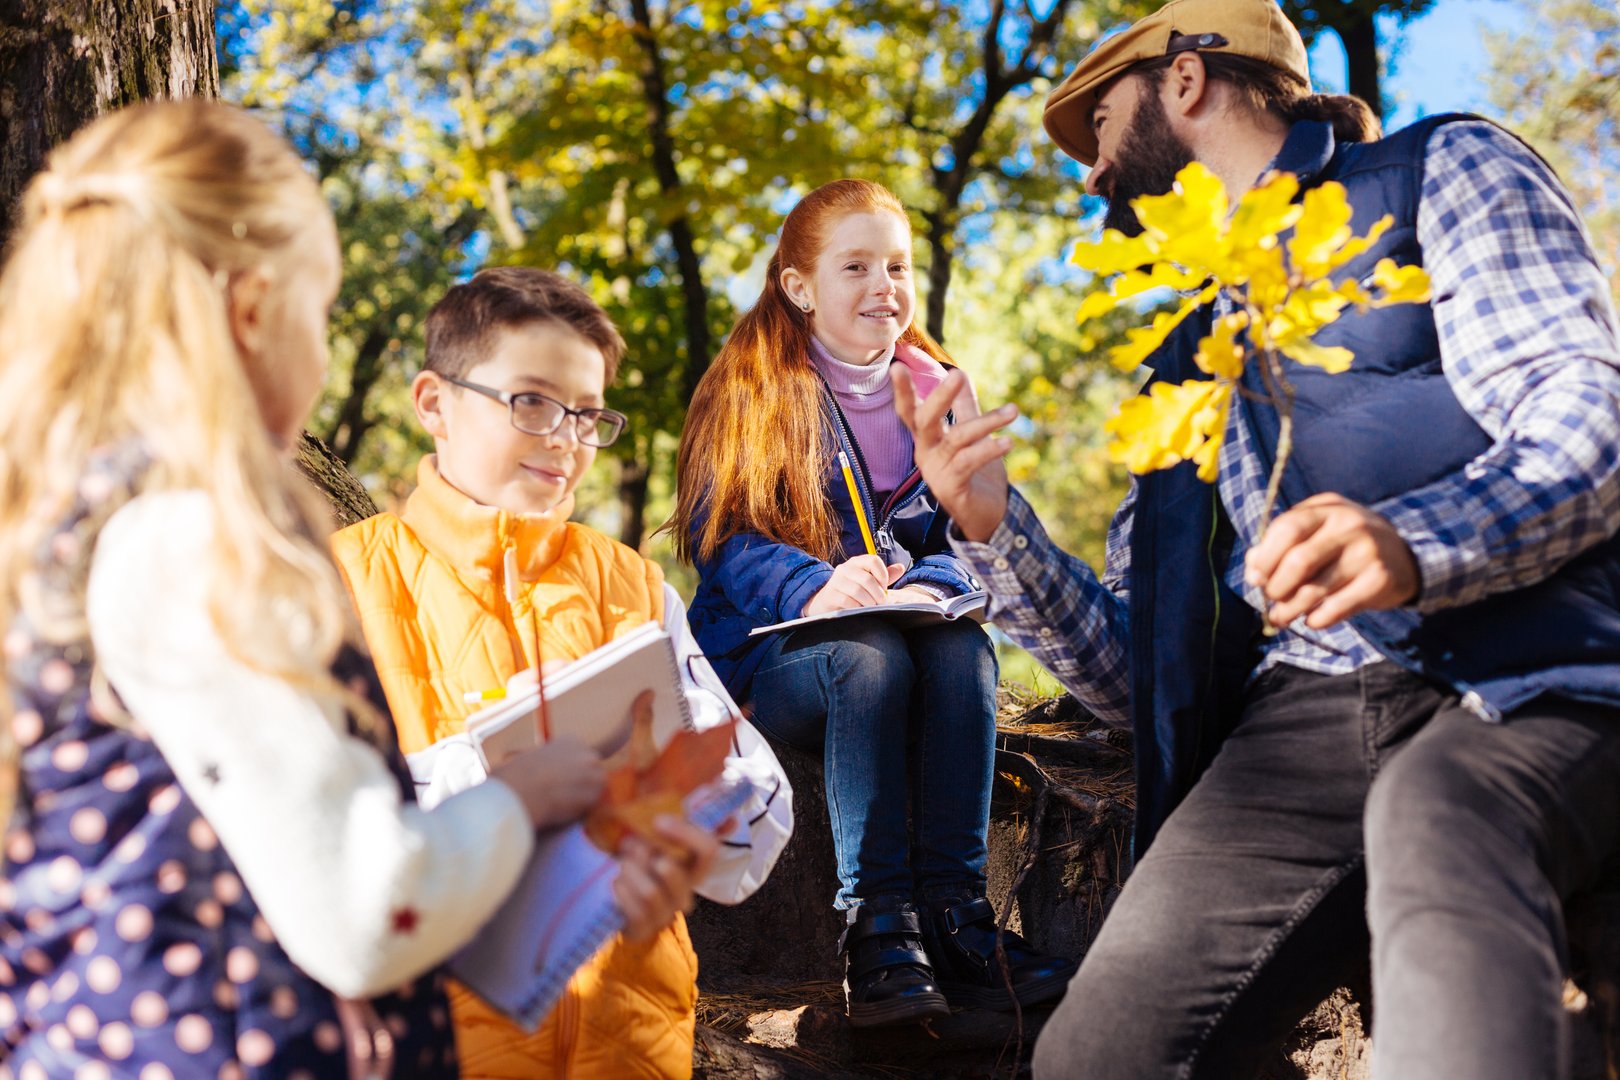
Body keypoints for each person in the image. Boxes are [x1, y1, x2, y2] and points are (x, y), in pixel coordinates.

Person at [893, 0, 1620, 1076]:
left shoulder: (1447, 169)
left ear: (1184, 82)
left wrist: (1417, 543)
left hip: (1536, 670)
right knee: (1093, 1059)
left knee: (1439, 809)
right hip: (1307, 728)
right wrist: (995, 527)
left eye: (1099, 127)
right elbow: (1135, 669)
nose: (1091, 174)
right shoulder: (1183, 368)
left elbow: (1587, 412)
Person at [0, 99, 711, 1078]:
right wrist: (518, 797)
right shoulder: (186, 541)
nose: (328, 355)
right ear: (252, 312)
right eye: (321, 313)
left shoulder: (69, 530)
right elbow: (367, 909)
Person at [330, 264, 793, 1078]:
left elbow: (756, 797)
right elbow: (324, 840)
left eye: (588, 415)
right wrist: (501, 783)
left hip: (634, 1041)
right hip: (438, 1044)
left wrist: (691, 837)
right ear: (434, 403)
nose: (566, 441)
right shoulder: (343, 583)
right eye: (533, 402)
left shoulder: (632, 583)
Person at [669, 178, 1075, 1028]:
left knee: (964, 651)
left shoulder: (936, 390)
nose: (882, 287)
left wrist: (938, 583)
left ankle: (959, 917)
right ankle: (878, 929)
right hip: (779, 660)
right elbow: (719, 539)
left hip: (908, 635)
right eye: (854, 267)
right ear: (800, 288)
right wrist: (815, 585)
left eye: (897, 265)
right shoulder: (750, 389)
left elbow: (967, 536)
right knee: (867, 659)